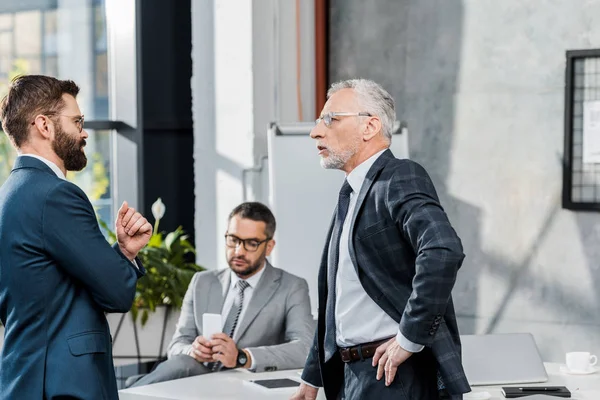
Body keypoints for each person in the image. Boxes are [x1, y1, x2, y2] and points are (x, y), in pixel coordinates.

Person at [291, 79, 471, 400]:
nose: (315, 132)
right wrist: (312, 380)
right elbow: (341, 302)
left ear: (369, 126)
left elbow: (442, 250)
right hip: (351, 378)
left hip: (392, 377)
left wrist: (408, 338)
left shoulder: (398, 177)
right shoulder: (352, 193)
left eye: (331, 119)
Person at [0, 75, 151, 399]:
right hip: (63, 385)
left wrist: (122, 251)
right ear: (44, 125)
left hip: (27, 379)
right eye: (76, 120)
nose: (83, 132)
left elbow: (51, 288)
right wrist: (124, 257)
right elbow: (116, 293)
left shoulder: (10, 194)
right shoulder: (56, 194)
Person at [130, 202, 314, 386]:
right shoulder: (202, 282)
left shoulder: (291, 287)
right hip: (193, 385)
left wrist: (243, 357)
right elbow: (177, 346)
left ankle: (130, 390)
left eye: (251, 243)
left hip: (244, 387)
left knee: (178, 367)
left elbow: (304, 349)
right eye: (233, 239)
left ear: (269, 247)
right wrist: (192, 351)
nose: (238, 251)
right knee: (183, 362)